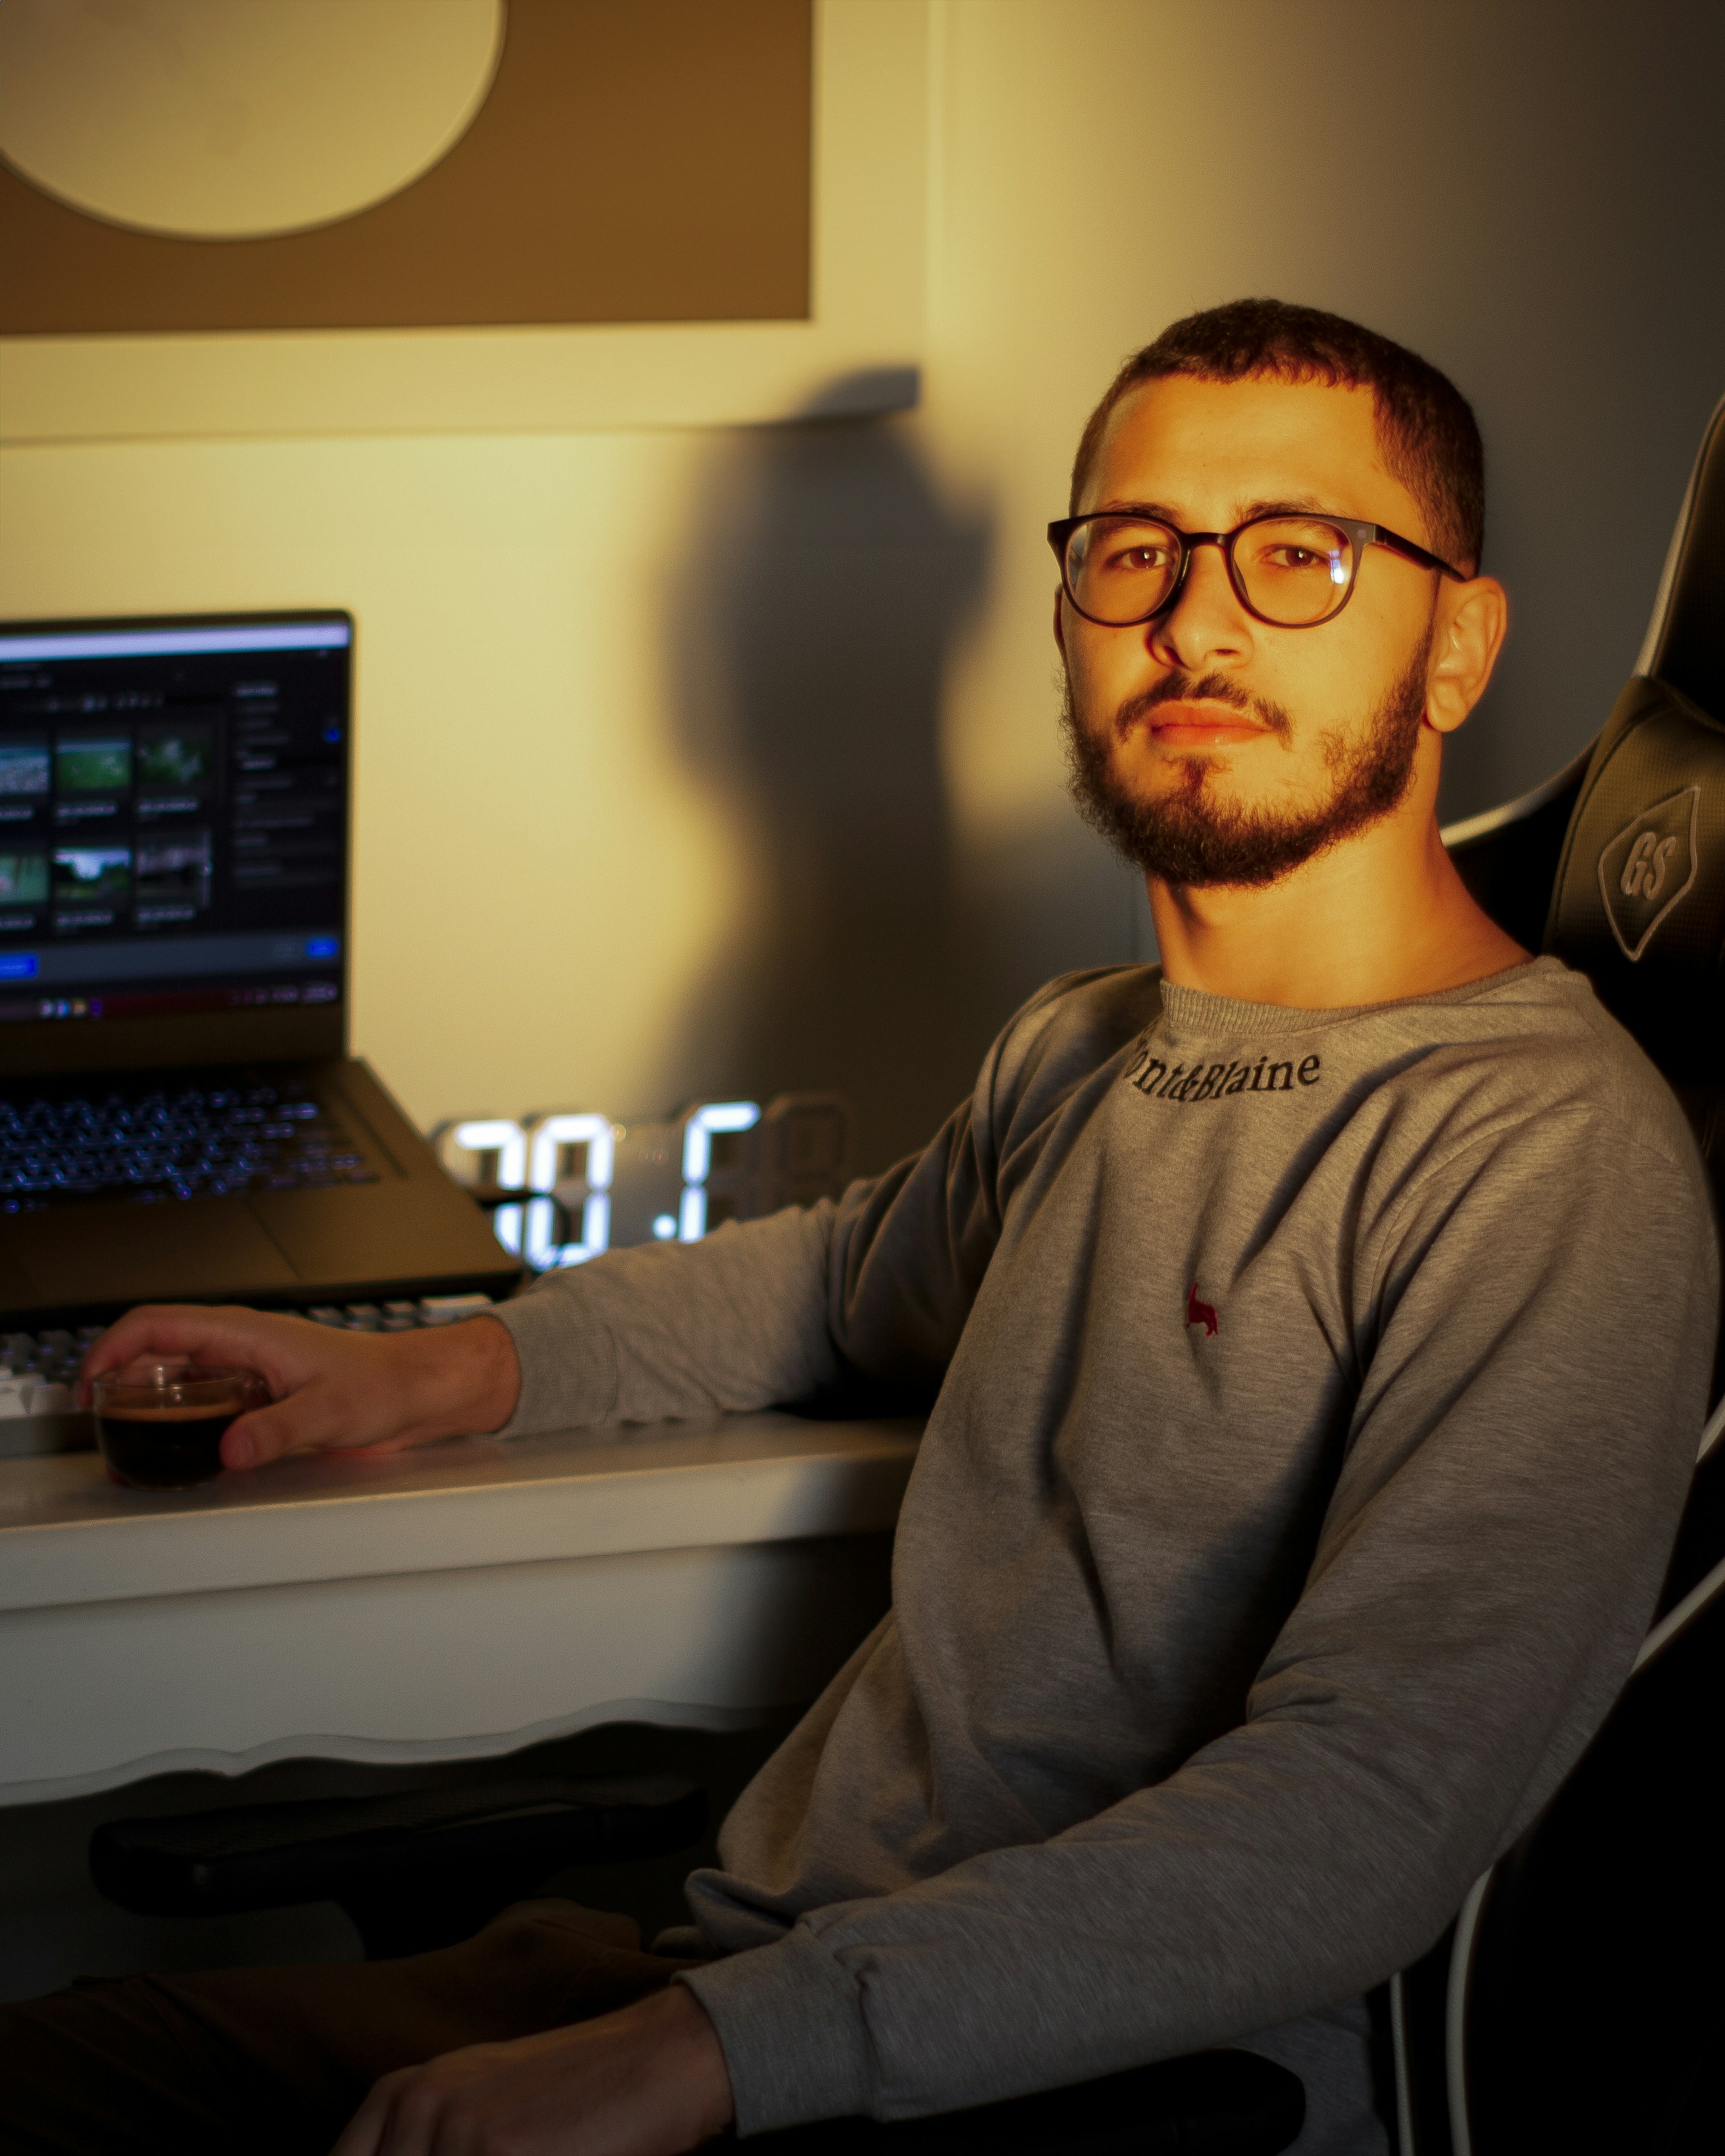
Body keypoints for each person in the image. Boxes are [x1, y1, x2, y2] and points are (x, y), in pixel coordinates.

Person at [3, 299, 1715, 2156]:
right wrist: (419, 1371)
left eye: (1296, 554)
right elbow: (830, 1281)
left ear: (1457, 642)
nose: (1196, 622)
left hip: (1063, 2081)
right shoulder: (1087, 1052)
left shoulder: (1543, 1152)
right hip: (731, 1983)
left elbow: (1358, 1816)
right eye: (1134, 553)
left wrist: (703, 2058)